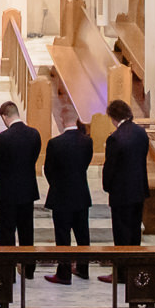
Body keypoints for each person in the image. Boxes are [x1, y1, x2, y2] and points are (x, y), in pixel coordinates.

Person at [0, 100, 42, 278]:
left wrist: (2, 179)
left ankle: (8, 271)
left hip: (6, 192)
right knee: (27, 232)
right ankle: (29, 270)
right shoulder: (34, 134)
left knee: (6, 232)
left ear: (4, 116)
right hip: (27, 191)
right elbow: (33, 158)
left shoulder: (2, 138)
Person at [98, 99, 148, 279]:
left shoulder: (115, 137)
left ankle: (120, 273)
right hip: (138, 190)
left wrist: (107, 186)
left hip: (121, 192)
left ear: (113, 117)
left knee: (121, 233)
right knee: (134, 233)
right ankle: (134, 270)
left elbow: (110, 167)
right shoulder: (141, 133)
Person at [41, 111, 93, 284]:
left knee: (63, 236)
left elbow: (48, 169)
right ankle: (83, 269)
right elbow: (85, 164)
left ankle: (64, 273)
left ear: (62, 119)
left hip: (61, 195)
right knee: (82, 235)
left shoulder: (55, 143)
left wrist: (56, 184)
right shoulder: (87, 141)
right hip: (80, 194)